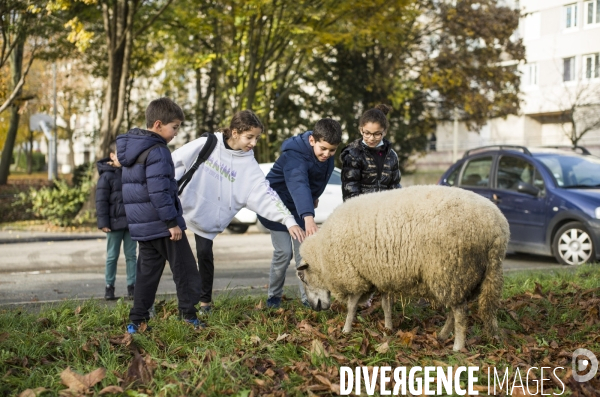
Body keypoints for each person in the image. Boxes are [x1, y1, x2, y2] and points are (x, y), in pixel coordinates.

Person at [172, 110, 305, 315]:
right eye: (249, 137)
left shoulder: (248, 165)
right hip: (180, 206)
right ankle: (162, 305)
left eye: (257, 138)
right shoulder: (208, 144)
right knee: (172, 256)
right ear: (234, 132)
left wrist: (288, 219)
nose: (253, 143)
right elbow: (174, 161)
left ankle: (205, 302)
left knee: (205, 253)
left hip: (207, 219)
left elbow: (264, 194)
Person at [116, 97, 203, 333]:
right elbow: (159, 191)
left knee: (146, 275)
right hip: (163, 224)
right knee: (185, 269)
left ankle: (136, 321)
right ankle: (189, 316)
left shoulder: (131, 150)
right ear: (157, 124)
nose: (175, 133)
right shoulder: (158, 150)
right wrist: (171, 222)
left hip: (143, 226)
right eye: (174, 127)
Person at [258, 118, 342, 308]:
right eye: (323, 149)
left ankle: (307, 299)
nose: (327, 154)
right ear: (312, 140)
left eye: (332, 150)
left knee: (304, 256)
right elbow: (298, 184)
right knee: (284, 253)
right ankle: (274, 298)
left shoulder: (325, 157)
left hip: (298, 208)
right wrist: (309, 217)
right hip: (277, 208)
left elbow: (319, 180)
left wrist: (314, 197)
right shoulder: (293, 156)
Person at [95, 141, 136, 301]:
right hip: (113, 223)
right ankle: (109, 286)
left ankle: (132, 286)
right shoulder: (106, 176)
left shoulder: (130, 172)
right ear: (112, 156)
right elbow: (101, 201)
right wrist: (103, 223)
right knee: (112, 256)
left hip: (131, 223)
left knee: (132, 255)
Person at [340, 104, 401, 202]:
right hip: (363, 210)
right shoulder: (353, 155)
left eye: (377, 134)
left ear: (384, 132)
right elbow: (350, 189)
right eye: (367, 133)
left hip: (386, 209)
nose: (371, 138)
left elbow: (395, 186)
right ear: (361, 130)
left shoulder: (392, 156)